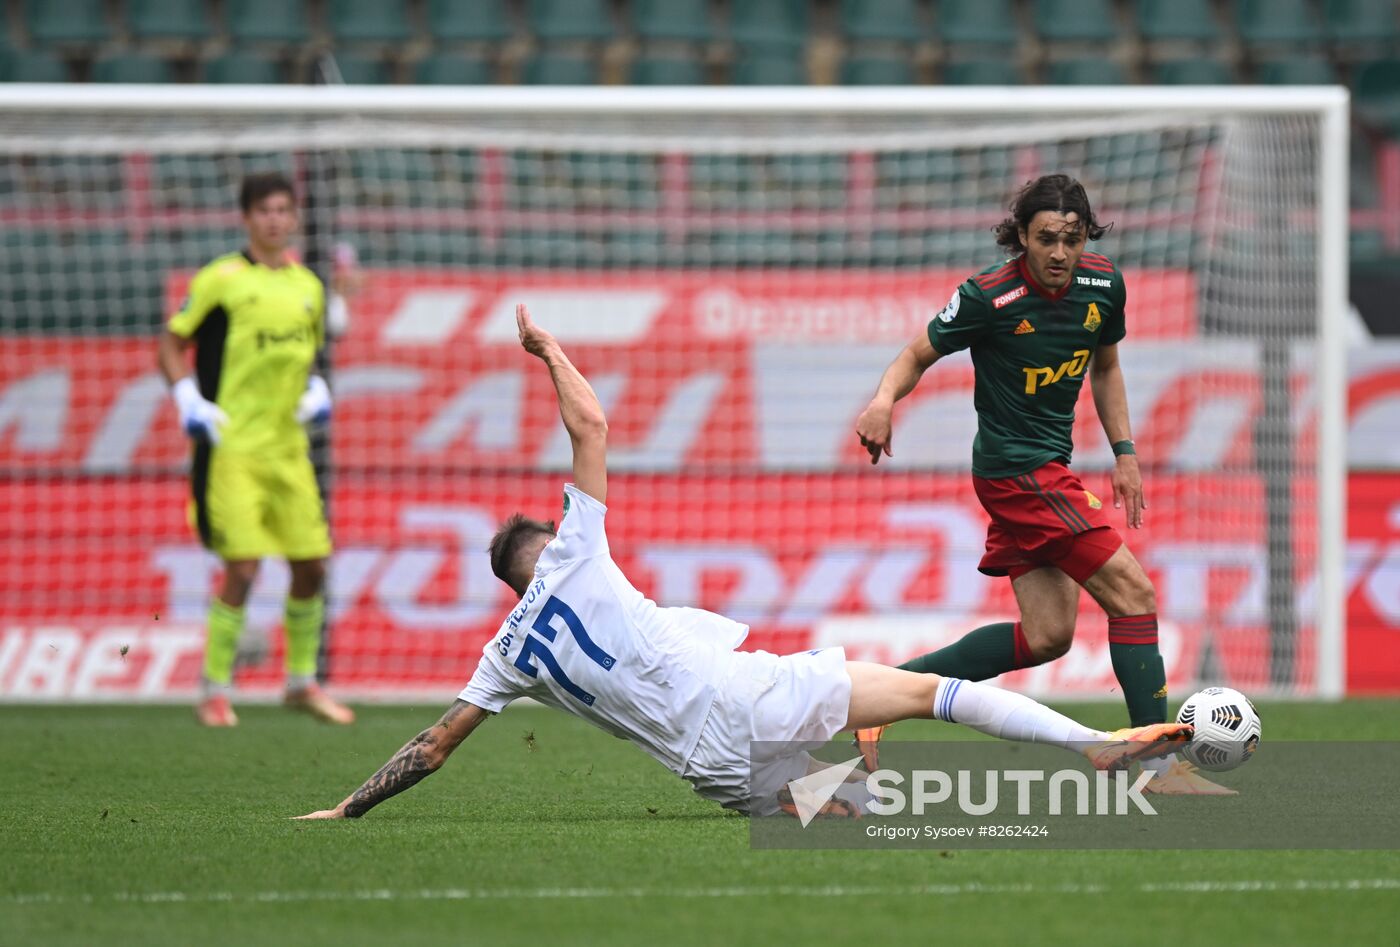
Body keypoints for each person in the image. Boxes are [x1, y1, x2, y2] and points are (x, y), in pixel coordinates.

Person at [294, 304, 1190, 822]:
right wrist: (549, 352)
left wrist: (348, 807)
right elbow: (592, 427)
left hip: (711, 766)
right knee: (932, 694)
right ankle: (1098, 746)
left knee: (872, 823)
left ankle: (952, 802)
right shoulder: (573, 552)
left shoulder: (505, 654)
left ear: (508, 587)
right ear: (547, 544)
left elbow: (434, 746)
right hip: (748, 691)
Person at [853, 174, 1226, 795]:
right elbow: (916, 353)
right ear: (1021, 237)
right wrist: (883, 400)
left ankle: (879, 696)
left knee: (1047, 637)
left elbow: (1105, 368)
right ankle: (1158, 768)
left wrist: (1125, 452)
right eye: (1046, 239)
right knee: (1134, 594)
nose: (1059, 253)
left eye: (1072, 239)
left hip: (1049, 467)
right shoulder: (987, 297)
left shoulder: (1103, 285)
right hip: (1018, 473)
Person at [157, 171, 354, 728]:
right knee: (242, 568)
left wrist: (316, 388)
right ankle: (213, 690)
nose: (274, 219)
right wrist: (187, 398)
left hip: (288, 449)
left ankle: (300, 683)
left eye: (283, 210)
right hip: (232, 447)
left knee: (312, 565)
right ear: (246, 218)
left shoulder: (308, 287)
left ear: (294, 218)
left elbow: (307, 357)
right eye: (264, 210)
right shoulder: (221, 279)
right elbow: (171, 344)